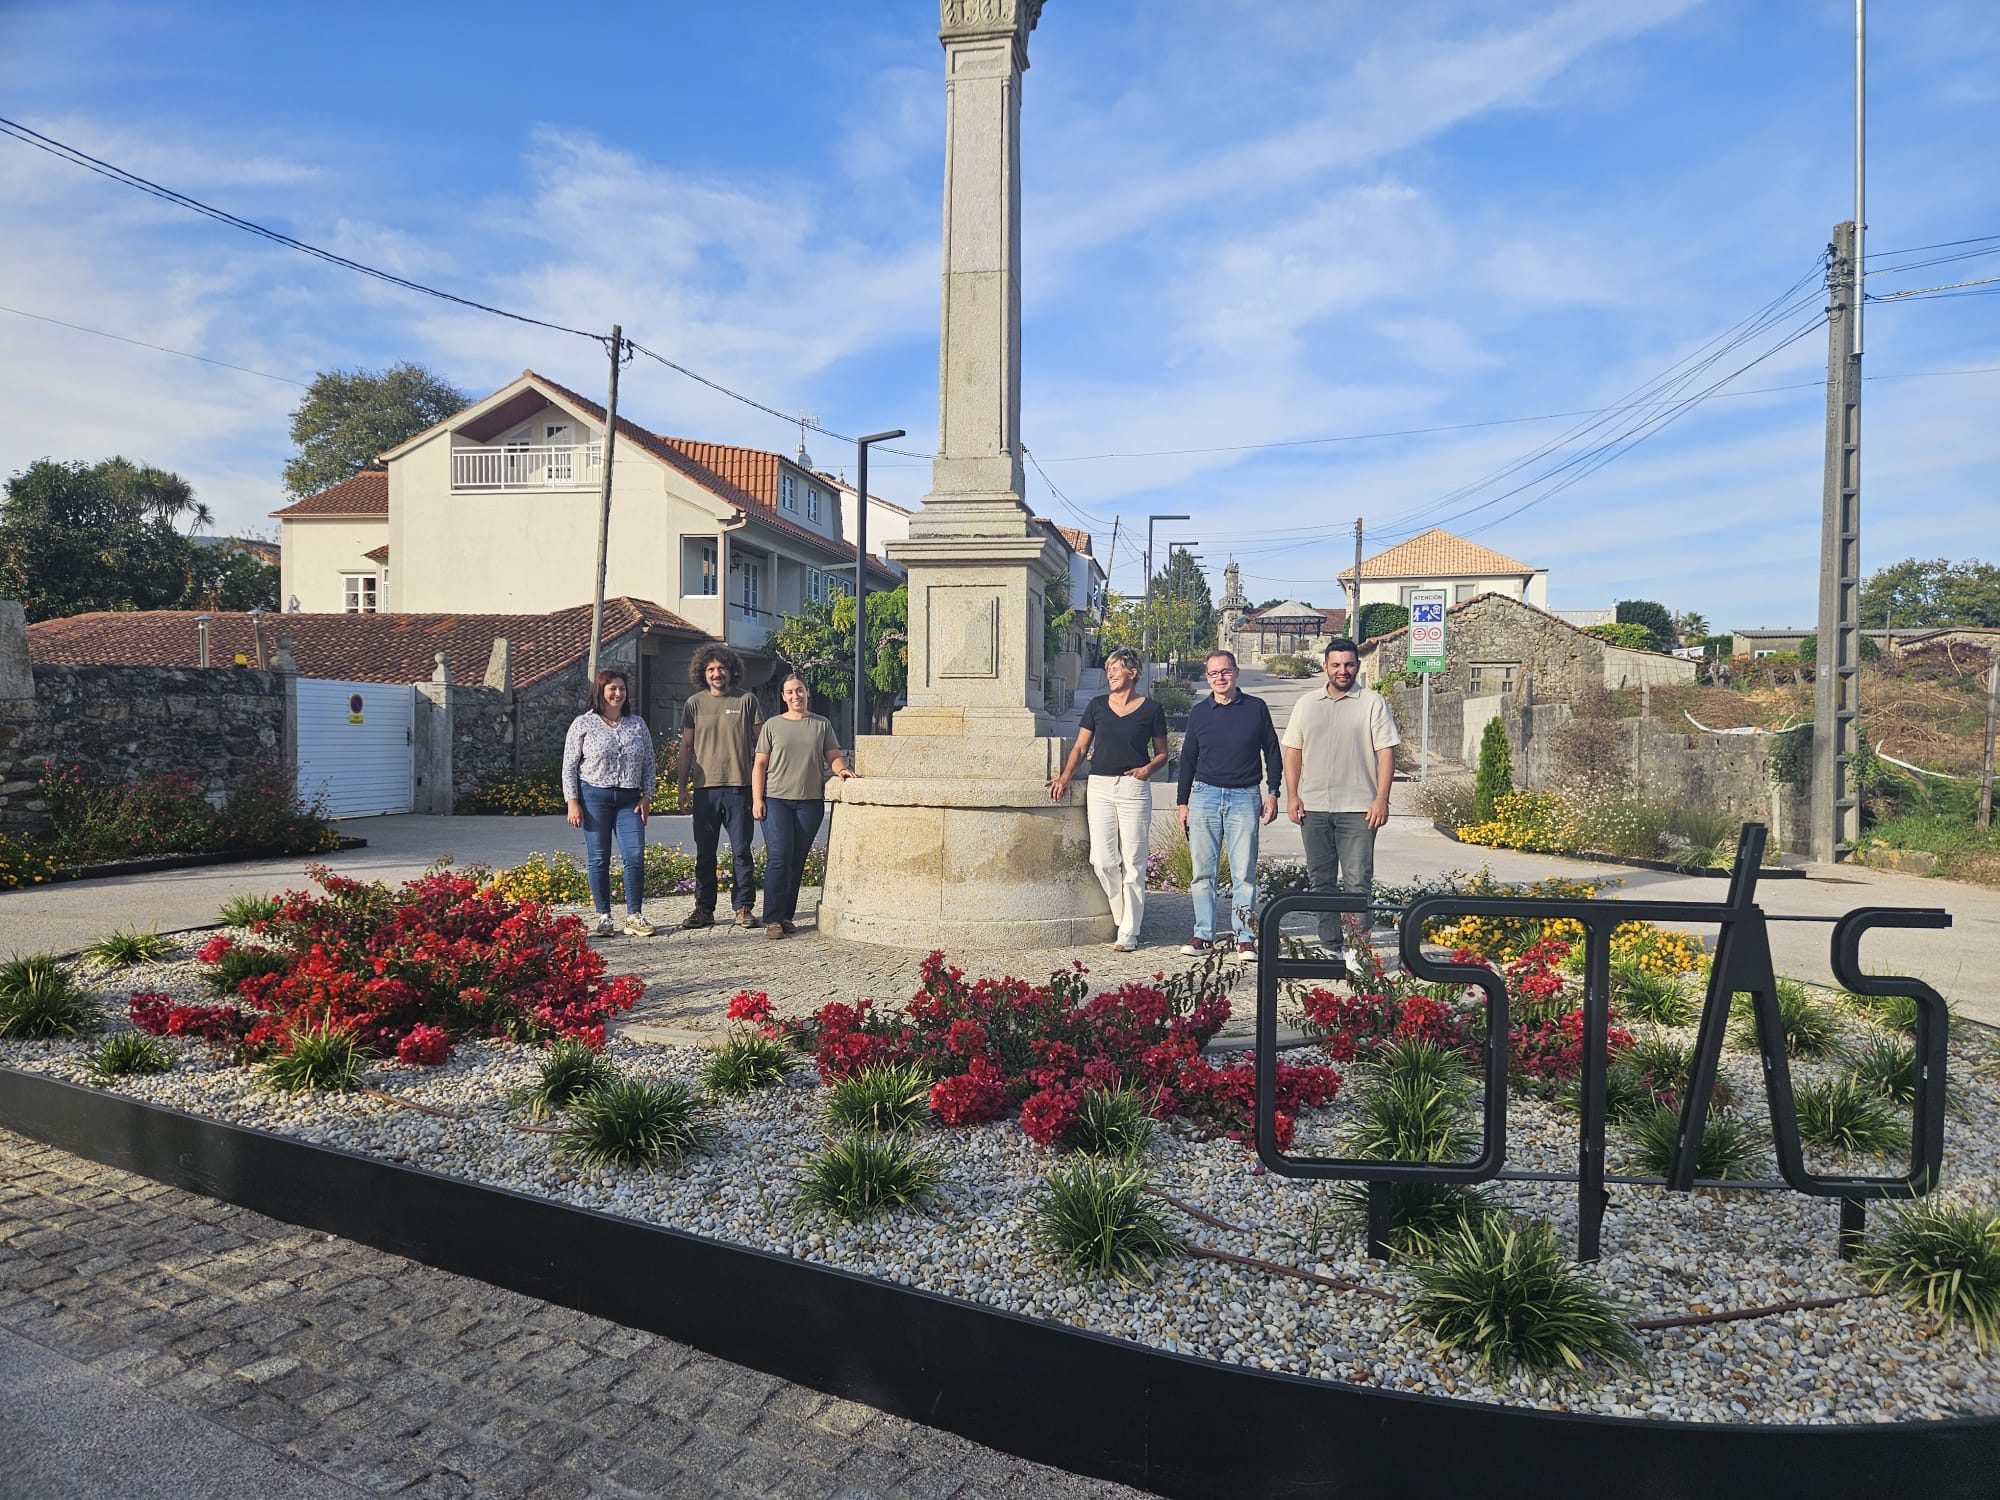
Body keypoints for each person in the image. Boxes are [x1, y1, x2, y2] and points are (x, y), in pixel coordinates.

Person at [1281, 637, 1399, 962]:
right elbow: (1293, 752)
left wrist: (1382, 798)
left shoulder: (1372, 703)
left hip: (1359, 809)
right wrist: (1292, 796)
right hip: (1314, 808)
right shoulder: (1306, 704)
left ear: (1357, 666)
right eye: (1336, 665)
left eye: (1348, 664)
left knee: (1357, 882)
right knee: (1321, 881)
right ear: (1325, 667)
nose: (1342, 670)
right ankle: (1329, 945)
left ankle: (1358, 951)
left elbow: (1386, 753)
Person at [1047, 646, 1169, 952]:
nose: (1110, 673)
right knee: (1102, 861)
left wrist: (1146, 769)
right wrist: (1064, 777)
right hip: (1099, 786)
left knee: (1134, 863)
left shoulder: (1151, 709)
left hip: (1133, 789)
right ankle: (1122, 914)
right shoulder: (1097, 705)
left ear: (1133, 672)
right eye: (1108, 669)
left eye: (1115, 668)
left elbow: (1163, 753)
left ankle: (1129, 930)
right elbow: (1079, 747)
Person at [1176, 650, 1281, 959]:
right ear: (1208, 678)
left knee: (1244, 873)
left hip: (1244, 796)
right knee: (1202, 872)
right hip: (1205, 795)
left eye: (1225, 672)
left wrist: (1273, 792)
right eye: (1213, 674)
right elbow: (1187, 761)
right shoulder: (1199, 713)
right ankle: (1203, 934)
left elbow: (1272, 753)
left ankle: (1244, 936)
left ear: (1236, 673)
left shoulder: (1256, 708)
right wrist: (1183, 803)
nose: (1219, 678)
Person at [752, 674, 855, 939]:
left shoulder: (821, 724)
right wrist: (757, 799)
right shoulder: (772, 726)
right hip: (776, 800)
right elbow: (760, 765)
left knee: (797, 860)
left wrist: (842, 770)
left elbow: (832, 756)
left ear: (807, 692)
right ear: (783, 697)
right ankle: (772, 919)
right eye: (790, 692)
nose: (795, 695)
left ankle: (786, 915)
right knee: (779, 857)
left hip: (809, 803)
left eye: (799, 690)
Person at [562, 667, 658, 937]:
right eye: (612, 688)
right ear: (601, 692)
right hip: (594, 797)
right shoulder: (583, 723)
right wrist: (572, 801)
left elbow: (649, 763)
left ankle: (634, 915)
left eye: (622, 689)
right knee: (599, 858)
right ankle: (604, 916)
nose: (618, 693)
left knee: (635, 855)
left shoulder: (637, 724)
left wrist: (647, 795)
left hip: (630, 799)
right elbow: (569, 766)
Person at [675, 644, 762, 930]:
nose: (717, 673)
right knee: (705, 852)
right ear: (702, 672)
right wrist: (682, 787)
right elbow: (686, 747)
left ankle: (743, 907)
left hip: (739, 787)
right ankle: (704, 908)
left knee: (741, 850)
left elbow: (763, 746)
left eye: (721, 668)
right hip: (705, 789)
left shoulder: (746, 700)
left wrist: (763, 787)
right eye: (711, 669)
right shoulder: (694, 704)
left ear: (731, 670)